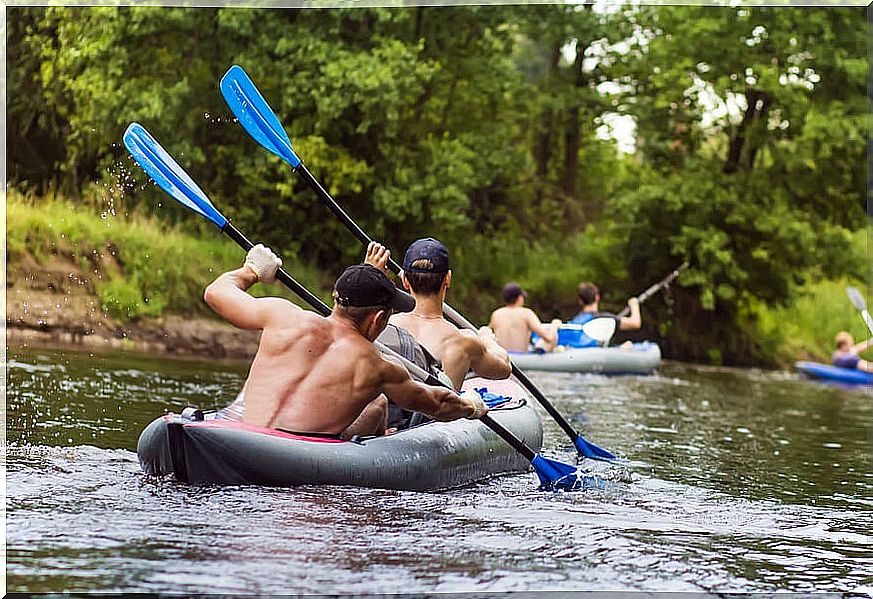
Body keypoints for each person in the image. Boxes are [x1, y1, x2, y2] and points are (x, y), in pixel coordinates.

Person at [203, 244, 488, 439]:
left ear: (335, 299)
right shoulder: (377, 367)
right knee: (376, 402)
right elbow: (436, 404)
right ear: (378, 319)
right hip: (288, 457)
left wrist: (251, 270)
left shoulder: (284, 315)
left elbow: (216, 292)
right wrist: (469, 406)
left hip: (240, 430)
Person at [365, 238, 512, 390]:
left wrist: (368, 276)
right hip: (438, 411)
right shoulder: (465, 341)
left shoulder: (379, 327)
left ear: (404, 281)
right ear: (447, 278)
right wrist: (487, 340)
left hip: (389, 412)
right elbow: (504, 368)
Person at [488, 282, 561, 353]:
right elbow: (548, 338)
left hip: (502, 358)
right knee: (552, 336)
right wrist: (554, 325)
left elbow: (489, 332)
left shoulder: (496, 314)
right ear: (519, 298)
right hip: (521, 358)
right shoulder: (526, 313)